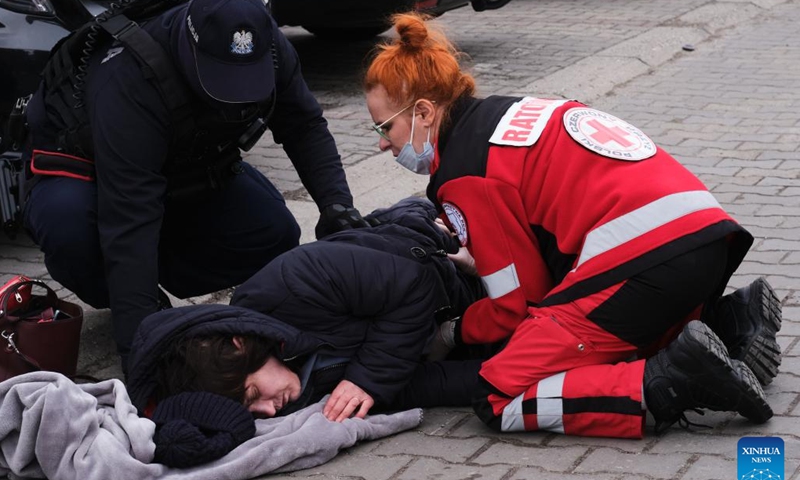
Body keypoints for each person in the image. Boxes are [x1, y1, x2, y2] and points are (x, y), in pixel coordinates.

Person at [361, 13, 783, 438]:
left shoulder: (465, 171)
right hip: (705, 235)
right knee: (607, 337)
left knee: (498, 394)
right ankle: (730, 324)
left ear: (423, 112)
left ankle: (666, 384)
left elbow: (517, 307)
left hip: (647, 262)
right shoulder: (506, 114)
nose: (382, 142)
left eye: (385, 126)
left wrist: (452, 333)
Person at [18, 0, 372, 369]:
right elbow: (129, 220)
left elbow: (304, 125)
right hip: (86, 172)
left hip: (181, 159)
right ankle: (138, 299)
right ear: (190, 50)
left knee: (275, 234)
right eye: (223, 81)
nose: (236, 93)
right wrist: (141, 351)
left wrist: (337, 207)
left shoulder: (267, 43)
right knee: (71, 228)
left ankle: (159, 273)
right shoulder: (129, 76)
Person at [126, 197, 489, 422]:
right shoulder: (295, 391)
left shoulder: (288, 286)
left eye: (253, 396)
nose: (269, 410)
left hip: (448, 238)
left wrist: (368, 380)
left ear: (238, 345)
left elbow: (412, 284)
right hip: (465, 314)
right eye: (252, 412)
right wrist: (498, 378)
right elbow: (407, 383)